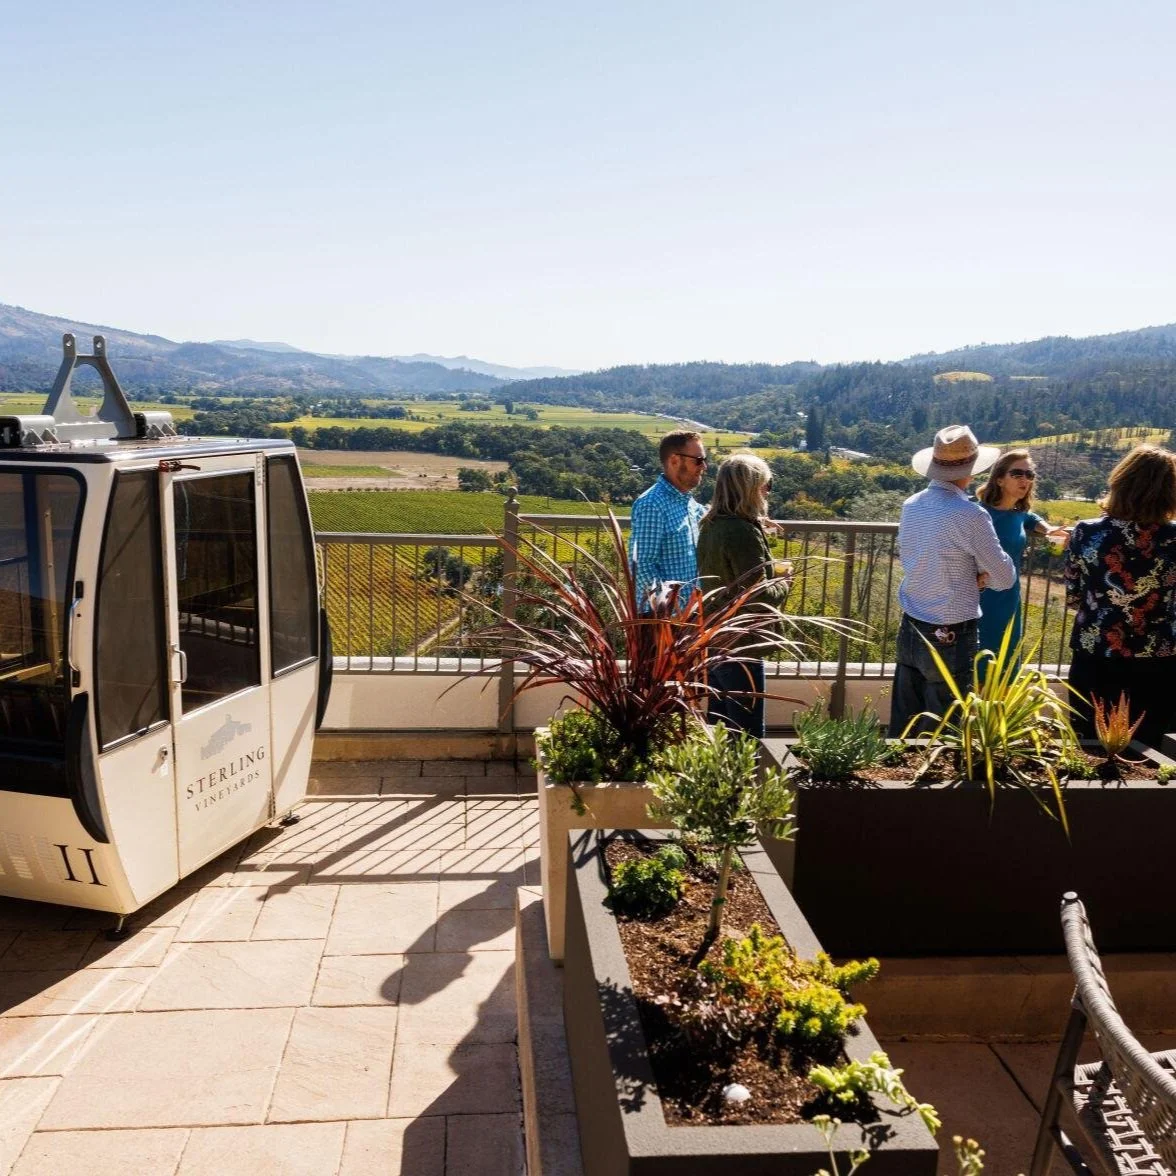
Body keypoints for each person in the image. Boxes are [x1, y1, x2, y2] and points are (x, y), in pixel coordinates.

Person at [888, 425, 1017, 736]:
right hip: (951, 630)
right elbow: (1003, 577)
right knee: (946, 725)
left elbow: (926, 557)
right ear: (971, 469)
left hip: (912, 623)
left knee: (904, 720)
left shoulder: (912, 504)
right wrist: (980, 575)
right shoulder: (970, 514)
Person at [1063, 444, 1176, 748]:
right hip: (1157, 657)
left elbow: (1074, 595)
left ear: (1120, 480)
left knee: (1087, 741)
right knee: (1148, 748)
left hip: (1095, 651)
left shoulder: (1085, 533)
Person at [696, 453, 791, 737]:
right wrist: (785, 581)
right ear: (751, 488)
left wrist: (759, 527)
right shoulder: (742, 532)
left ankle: (715, 780)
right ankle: (743, 782)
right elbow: (757, 595)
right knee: (747, 732)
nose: (767, 492)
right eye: (766, 485)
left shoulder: (711, 524)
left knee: (720, 724)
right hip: (742, 643)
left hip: (715, 636)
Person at [975, 449, 1070, 661]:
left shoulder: (1016, 514)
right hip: (983, 596)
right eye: (1017, 474)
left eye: (1030, 475)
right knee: (983, 658)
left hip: (1010, 597)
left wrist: (1048, 529)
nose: (1025, 480)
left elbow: (1029, 517)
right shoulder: (979, 514)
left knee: (1007, 657)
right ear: (999, 479)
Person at [628, 430, 707, 609]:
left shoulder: (689, 503)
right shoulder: (652, 504)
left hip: (687, 617)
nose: (704, 467)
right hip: (663, 621)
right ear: (674, 461)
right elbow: (642, 567)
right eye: (699, 460)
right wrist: (669, 611)